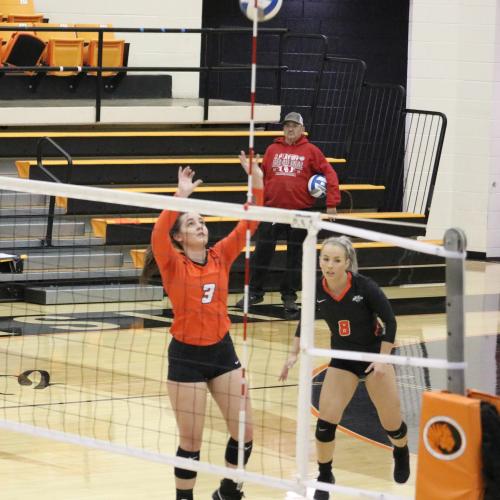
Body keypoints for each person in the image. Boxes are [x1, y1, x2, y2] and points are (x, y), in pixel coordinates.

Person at [148, 162, 264, 500]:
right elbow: (158, 234)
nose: (199, 226)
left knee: (245, 432)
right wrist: (180, 197)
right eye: (191, 223)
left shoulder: (221, 256)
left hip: (222, 353)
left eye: (201, 221)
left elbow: (251, 222)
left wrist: (256, 182)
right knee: (191, 442)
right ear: (180, 236)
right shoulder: (172, 262)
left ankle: (228, 492)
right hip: (186, 358)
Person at [279, 236, 410, 500]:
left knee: (392, 423)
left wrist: (383, 359)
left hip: (373, 357)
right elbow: (304, 322)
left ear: (347, 263)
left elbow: (390, 322)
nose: (330, 265)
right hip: (342, 358)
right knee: (325, 423)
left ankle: (400, 450)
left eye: (336, 260)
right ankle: (325, 476)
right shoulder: (317, 289)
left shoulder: (365, 287)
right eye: (325, 259)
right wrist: (292, 354)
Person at [236, 111, 340, 313]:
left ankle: (289, 296)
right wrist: (256, 200)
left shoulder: (312, 151)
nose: (290, 129)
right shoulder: (272, 149)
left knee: (295, 256)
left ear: (302, 129)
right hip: (272, 210)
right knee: (262, 253)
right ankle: (254, 293)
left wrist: (332, 203)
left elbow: (330, 174)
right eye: (287, 126)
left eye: (294, 125)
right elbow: (262, 177)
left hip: (300, 212)